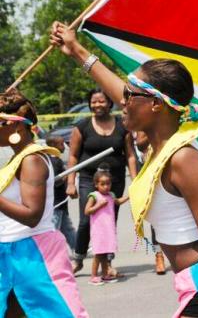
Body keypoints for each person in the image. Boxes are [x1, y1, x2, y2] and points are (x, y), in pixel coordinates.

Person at [51, 21, 198, 317]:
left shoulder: (184, 160)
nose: (123, 102)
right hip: (192, 285)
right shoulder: (160, 147)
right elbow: (122, 90)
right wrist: (77, 51)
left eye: (131, 96)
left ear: (157, 104)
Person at [0, 88, 87, 317]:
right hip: (10, 250)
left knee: (56, 312)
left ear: (17, 126)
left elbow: (31, 215)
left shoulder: (32, 160)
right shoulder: (17, 158)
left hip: (33, 253)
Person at [67, 87, 137, 274]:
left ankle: (107, 262)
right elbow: (73, 156)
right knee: (85, 220)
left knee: (109, 220)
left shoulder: (122, 126)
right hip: (89, 179)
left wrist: (136, 181)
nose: (97, 105)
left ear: (109, 103)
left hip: (114, 180)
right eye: (94, 101)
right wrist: (70, 182)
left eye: (101, 101)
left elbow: (130, 155)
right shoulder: (82, 127)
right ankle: (79, 258)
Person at [84, 163, 129, 285]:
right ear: (96, 185)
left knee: (105, 254)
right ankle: (93, 276)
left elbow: (117, 202)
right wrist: (98, 205)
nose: (106, 187)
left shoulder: (111, 195)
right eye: (102, 184)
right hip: (98, 230)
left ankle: (104, 275)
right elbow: (87, 211)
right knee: (98, 254)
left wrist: (129, 196)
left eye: (108, 184)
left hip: (108, 230)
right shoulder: (94, 196)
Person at [133, 130, 166, 275]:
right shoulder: (148, 114)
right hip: (154, 167)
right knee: (157, 215)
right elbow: (140, 144)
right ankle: (159, 255)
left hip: (176, 161)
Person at [46, 135, 76, 249]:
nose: (64, 146)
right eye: (61, 144)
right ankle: (50, 250)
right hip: (56, 203)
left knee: (67, 228)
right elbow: (54, 181)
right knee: (54, 229)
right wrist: (68, 175)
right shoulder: (54, 161)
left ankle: (78, 248)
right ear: (53, 145)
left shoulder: (55, 159)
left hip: (61, 203)